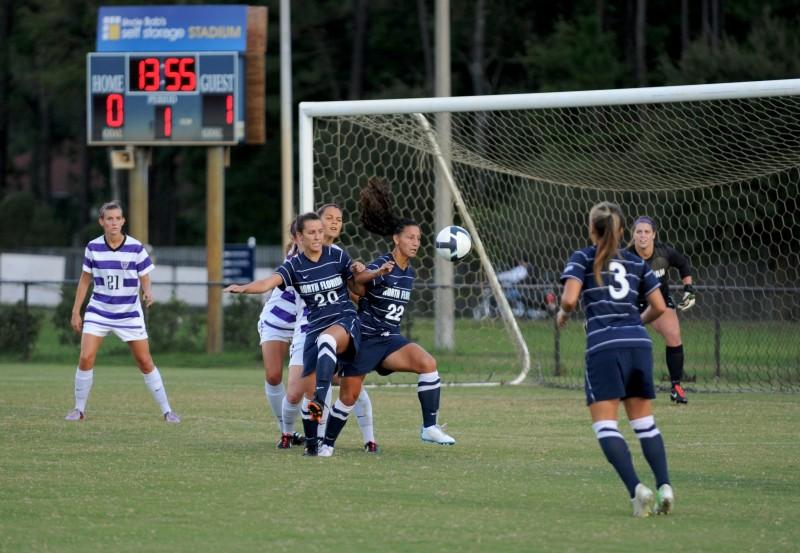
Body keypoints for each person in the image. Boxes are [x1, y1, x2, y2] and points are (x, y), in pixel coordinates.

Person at [224, 211, 391, 456]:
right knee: (303, 393)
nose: (317, 236)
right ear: (299, 237)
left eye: (320, 232)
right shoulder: (294, 265)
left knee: (335, 370)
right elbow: (268, 283)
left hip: (343, 323)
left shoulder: (337, 255)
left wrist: (372, 273)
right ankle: (310, 439)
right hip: (314, 328)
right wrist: (243, 288)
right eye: (312, 232)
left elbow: (356, 284)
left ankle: (340, 437)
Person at [317, 178, 456, 457]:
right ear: (396, 239)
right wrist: (366, 274)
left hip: (390, 338)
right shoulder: (384, 263)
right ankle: (326, 444)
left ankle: (429, 427)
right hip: (366, 338)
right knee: (348, 398)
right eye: (409, 237)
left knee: (428, 363)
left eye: (418, 238)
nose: (415, 242)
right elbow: (357, 286)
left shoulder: (410, 272)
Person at [557, 201, 673, 517]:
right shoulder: (637, 263)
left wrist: (562, 314)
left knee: (607, 424)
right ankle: (665, 486)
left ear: (591, 228)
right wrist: (637, 320)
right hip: (638, 344)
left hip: (603, 347)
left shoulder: (583, 257)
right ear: (623, 231)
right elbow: (660, 307)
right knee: (644, 422)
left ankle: (638, 490)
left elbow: (569, 298)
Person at [65, 201, 180, 423]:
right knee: (86, 357)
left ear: (123, 221)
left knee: (145, 361)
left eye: (118, 218)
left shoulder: (136, 248)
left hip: (129, 314)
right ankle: (78, 410)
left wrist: (147, 293)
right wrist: (75, 311)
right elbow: (84, 281)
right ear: (102, 222)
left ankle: (167, 411)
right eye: (109, 219)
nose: (114, 222)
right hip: (99, 311)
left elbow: (145, 277)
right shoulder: (93, 247)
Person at [276, 204, 378, 452]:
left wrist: (362, 275)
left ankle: (364, 439)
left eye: (338, 219)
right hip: (307, 328)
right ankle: (291, 433)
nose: (333, 224)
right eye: (327, 219)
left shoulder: (339, 255)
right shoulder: (299, 256)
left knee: (349, 381)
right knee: (295, 393)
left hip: (339, 327)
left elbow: (352, 289)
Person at [627, 216, 696, 404]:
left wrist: (689, 290)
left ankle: (676, 387)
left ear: (654, 235)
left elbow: (683, 264)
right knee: (625, 342)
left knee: (674, 335)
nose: (642, 236)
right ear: (633, 235)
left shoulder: (664, 253)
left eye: (646, 232)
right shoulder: (625, 257)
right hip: (633, 304)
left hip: (659, 302)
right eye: (638, 232)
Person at [257, 221, 305, 447]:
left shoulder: (330, 255)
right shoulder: (296, 256)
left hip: (303, 326)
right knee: (274, 375)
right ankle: (286, 429)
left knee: (324, 379)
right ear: (297, 237)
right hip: (277, 320)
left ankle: (320, 431)